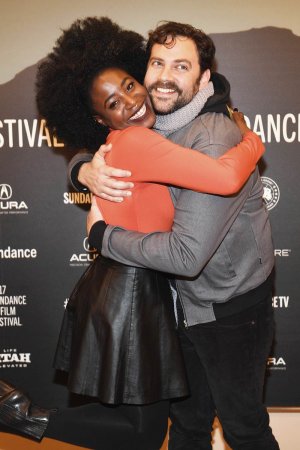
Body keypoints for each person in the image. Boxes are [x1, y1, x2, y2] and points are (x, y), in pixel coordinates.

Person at [0, 17, 264, 450]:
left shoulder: (133, 136)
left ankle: (23, 415)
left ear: (203, 75)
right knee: (142, 432)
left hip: (129, 289)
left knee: (142, 430)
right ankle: (23, 415)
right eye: (114, 102)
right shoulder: (139, 140)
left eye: (127, 85)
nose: (131, 101)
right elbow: (223, 178)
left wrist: (82, 169)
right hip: (135, 291)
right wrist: (253, 140)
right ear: (99, 118)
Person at [79, 21, 280, 450]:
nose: (165, 77)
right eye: (157, 63)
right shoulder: (149, 124)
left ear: (204, 77)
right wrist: (82, 168)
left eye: (182, 66)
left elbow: (187, 256)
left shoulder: (211, 137)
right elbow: (96, 143)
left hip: (228, 313)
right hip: (181, 306)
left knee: (244, 430)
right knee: (187, 427)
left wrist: (102, 235)